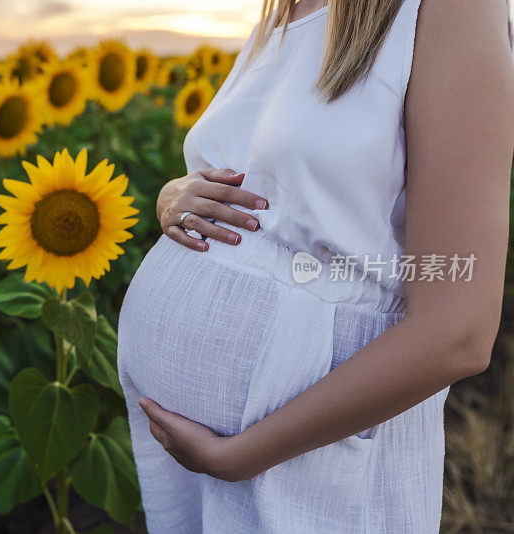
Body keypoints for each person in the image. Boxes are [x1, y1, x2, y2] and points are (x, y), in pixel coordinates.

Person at [115, 0, 514, 531]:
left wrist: (241, 457)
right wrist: (174, 195)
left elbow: (458, 331)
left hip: (302, 461)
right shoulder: (287, 10)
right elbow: (261, 180)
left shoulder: (453, 11)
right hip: (201, 459)